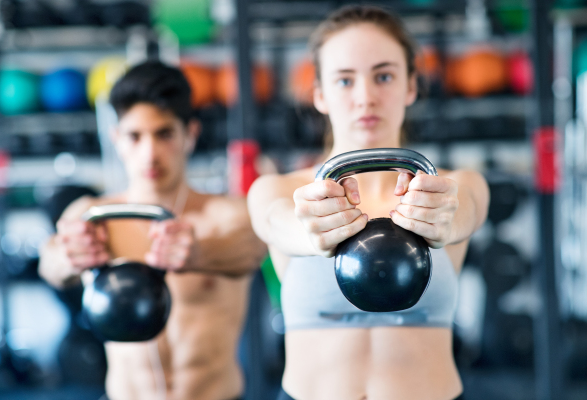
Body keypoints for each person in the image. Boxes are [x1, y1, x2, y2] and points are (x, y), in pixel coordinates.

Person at [248, 6, 489, 400]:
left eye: (384, 76)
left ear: (411, 85)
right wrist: (312, 232)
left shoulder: (452, 189)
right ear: (320, 94)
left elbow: (464, 212)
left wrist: (444, 222)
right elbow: (279, 222)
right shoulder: (278, 191)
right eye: (345, 80)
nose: (365, 97)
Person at [39, 61, 266, 400]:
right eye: (135, 136)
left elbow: (250, 250)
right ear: (117, 139)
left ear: (190, 134)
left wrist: (199, 253)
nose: (149, 153)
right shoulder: (93, 215)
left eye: (164, 134)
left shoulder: (223, 213)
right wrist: (70, 257)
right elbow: (50, 262)